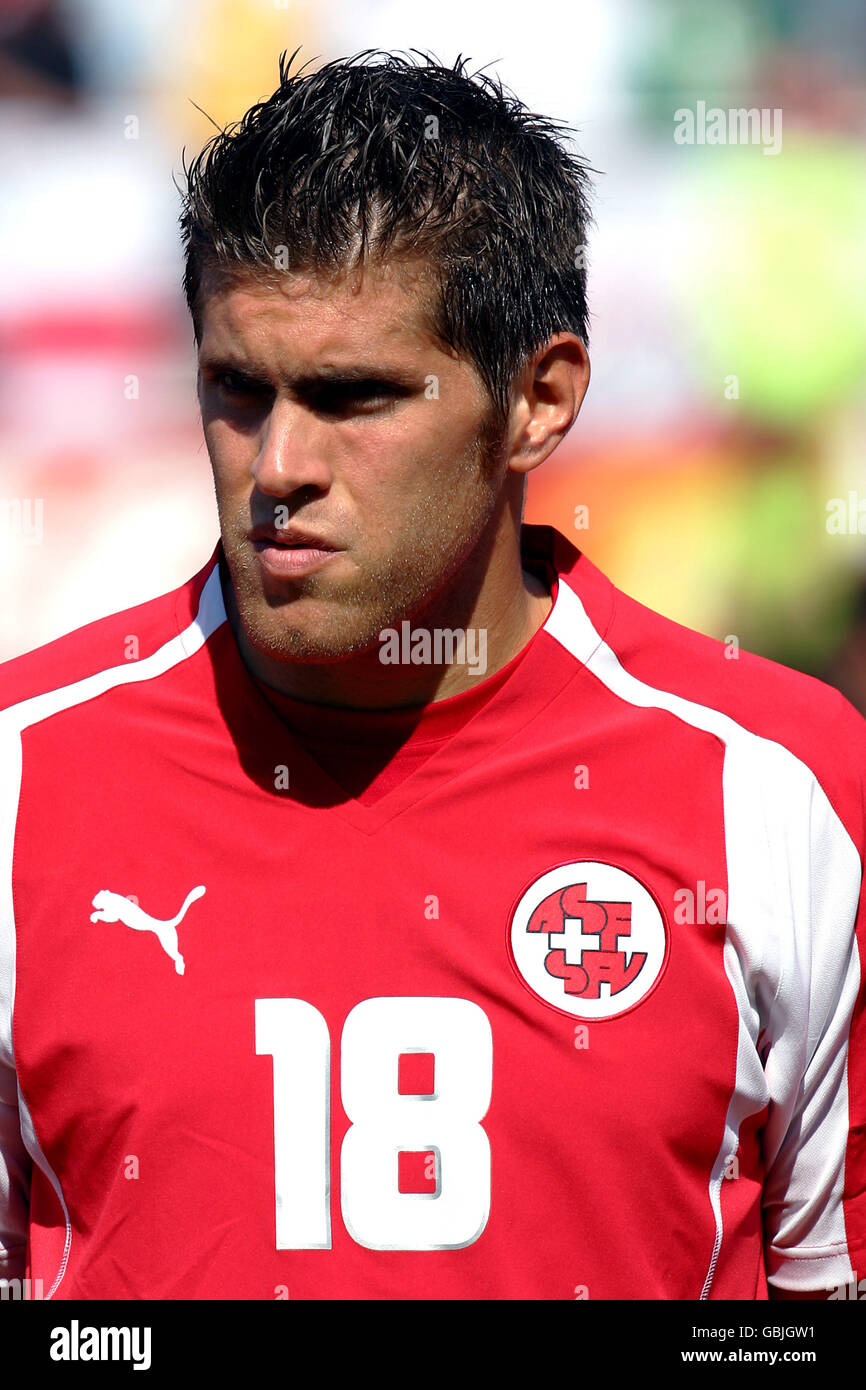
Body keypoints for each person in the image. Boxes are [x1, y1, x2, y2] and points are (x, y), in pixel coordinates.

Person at [1, 48, 864, 1302]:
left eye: (352, 397)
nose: (277, 462)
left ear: (538, 400)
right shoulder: (24, 778)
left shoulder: (786, 789)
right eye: (238, 389)